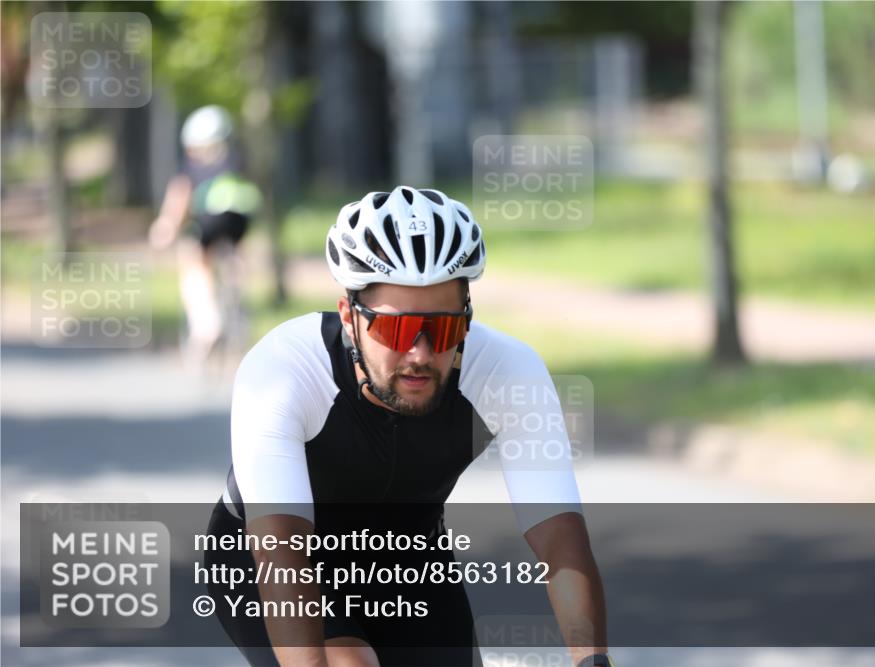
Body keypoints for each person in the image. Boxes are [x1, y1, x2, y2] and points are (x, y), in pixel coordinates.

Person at [203, 186, 614, 667]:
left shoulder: (508, 371)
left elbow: (560, 544)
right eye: (395, 329)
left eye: (441, 329)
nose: (419, 354)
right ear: (349, 318)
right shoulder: (284, 369)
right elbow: (281, 555)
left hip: (410, 561)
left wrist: (593, 661)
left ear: (467, 320)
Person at [148, 104, 261, 368]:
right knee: (233, 255)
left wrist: (164, 231)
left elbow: (177, 204)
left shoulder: (192, 166)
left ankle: (207, 324)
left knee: (193, 259)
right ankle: (237, 304)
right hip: (240, 219)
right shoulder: (238, 160)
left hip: (210, 219)